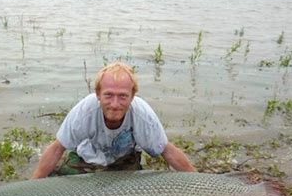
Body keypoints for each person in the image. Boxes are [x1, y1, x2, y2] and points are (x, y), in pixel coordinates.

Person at [31, 62, 195, 179]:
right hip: (86, 158)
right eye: (108, 95)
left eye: (123, 96)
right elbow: (57, 148)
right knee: (55, 180)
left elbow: (166, 150)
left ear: (132, 96)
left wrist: (198, 181)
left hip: (123, 161)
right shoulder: (84, 111)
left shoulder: (142, 114)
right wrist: (34, 184)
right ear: (97, 94)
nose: (115, 104)